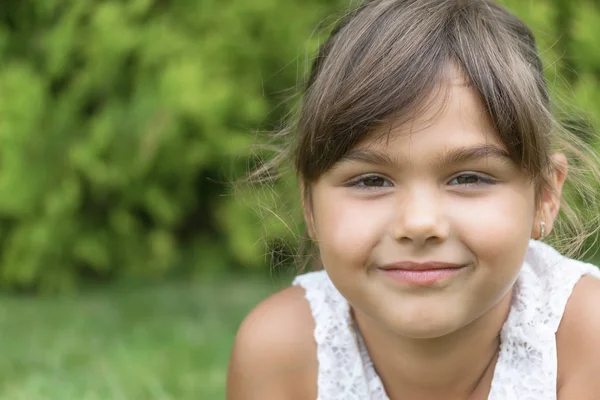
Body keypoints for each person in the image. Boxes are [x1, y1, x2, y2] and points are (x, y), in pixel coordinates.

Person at [226, 0, 600, 399]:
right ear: (309, 205)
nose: (419, 223)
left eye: (469, 177)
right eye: (371, 181)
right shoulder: (280, 352)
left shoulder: (584, 341)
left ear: (545, 196)